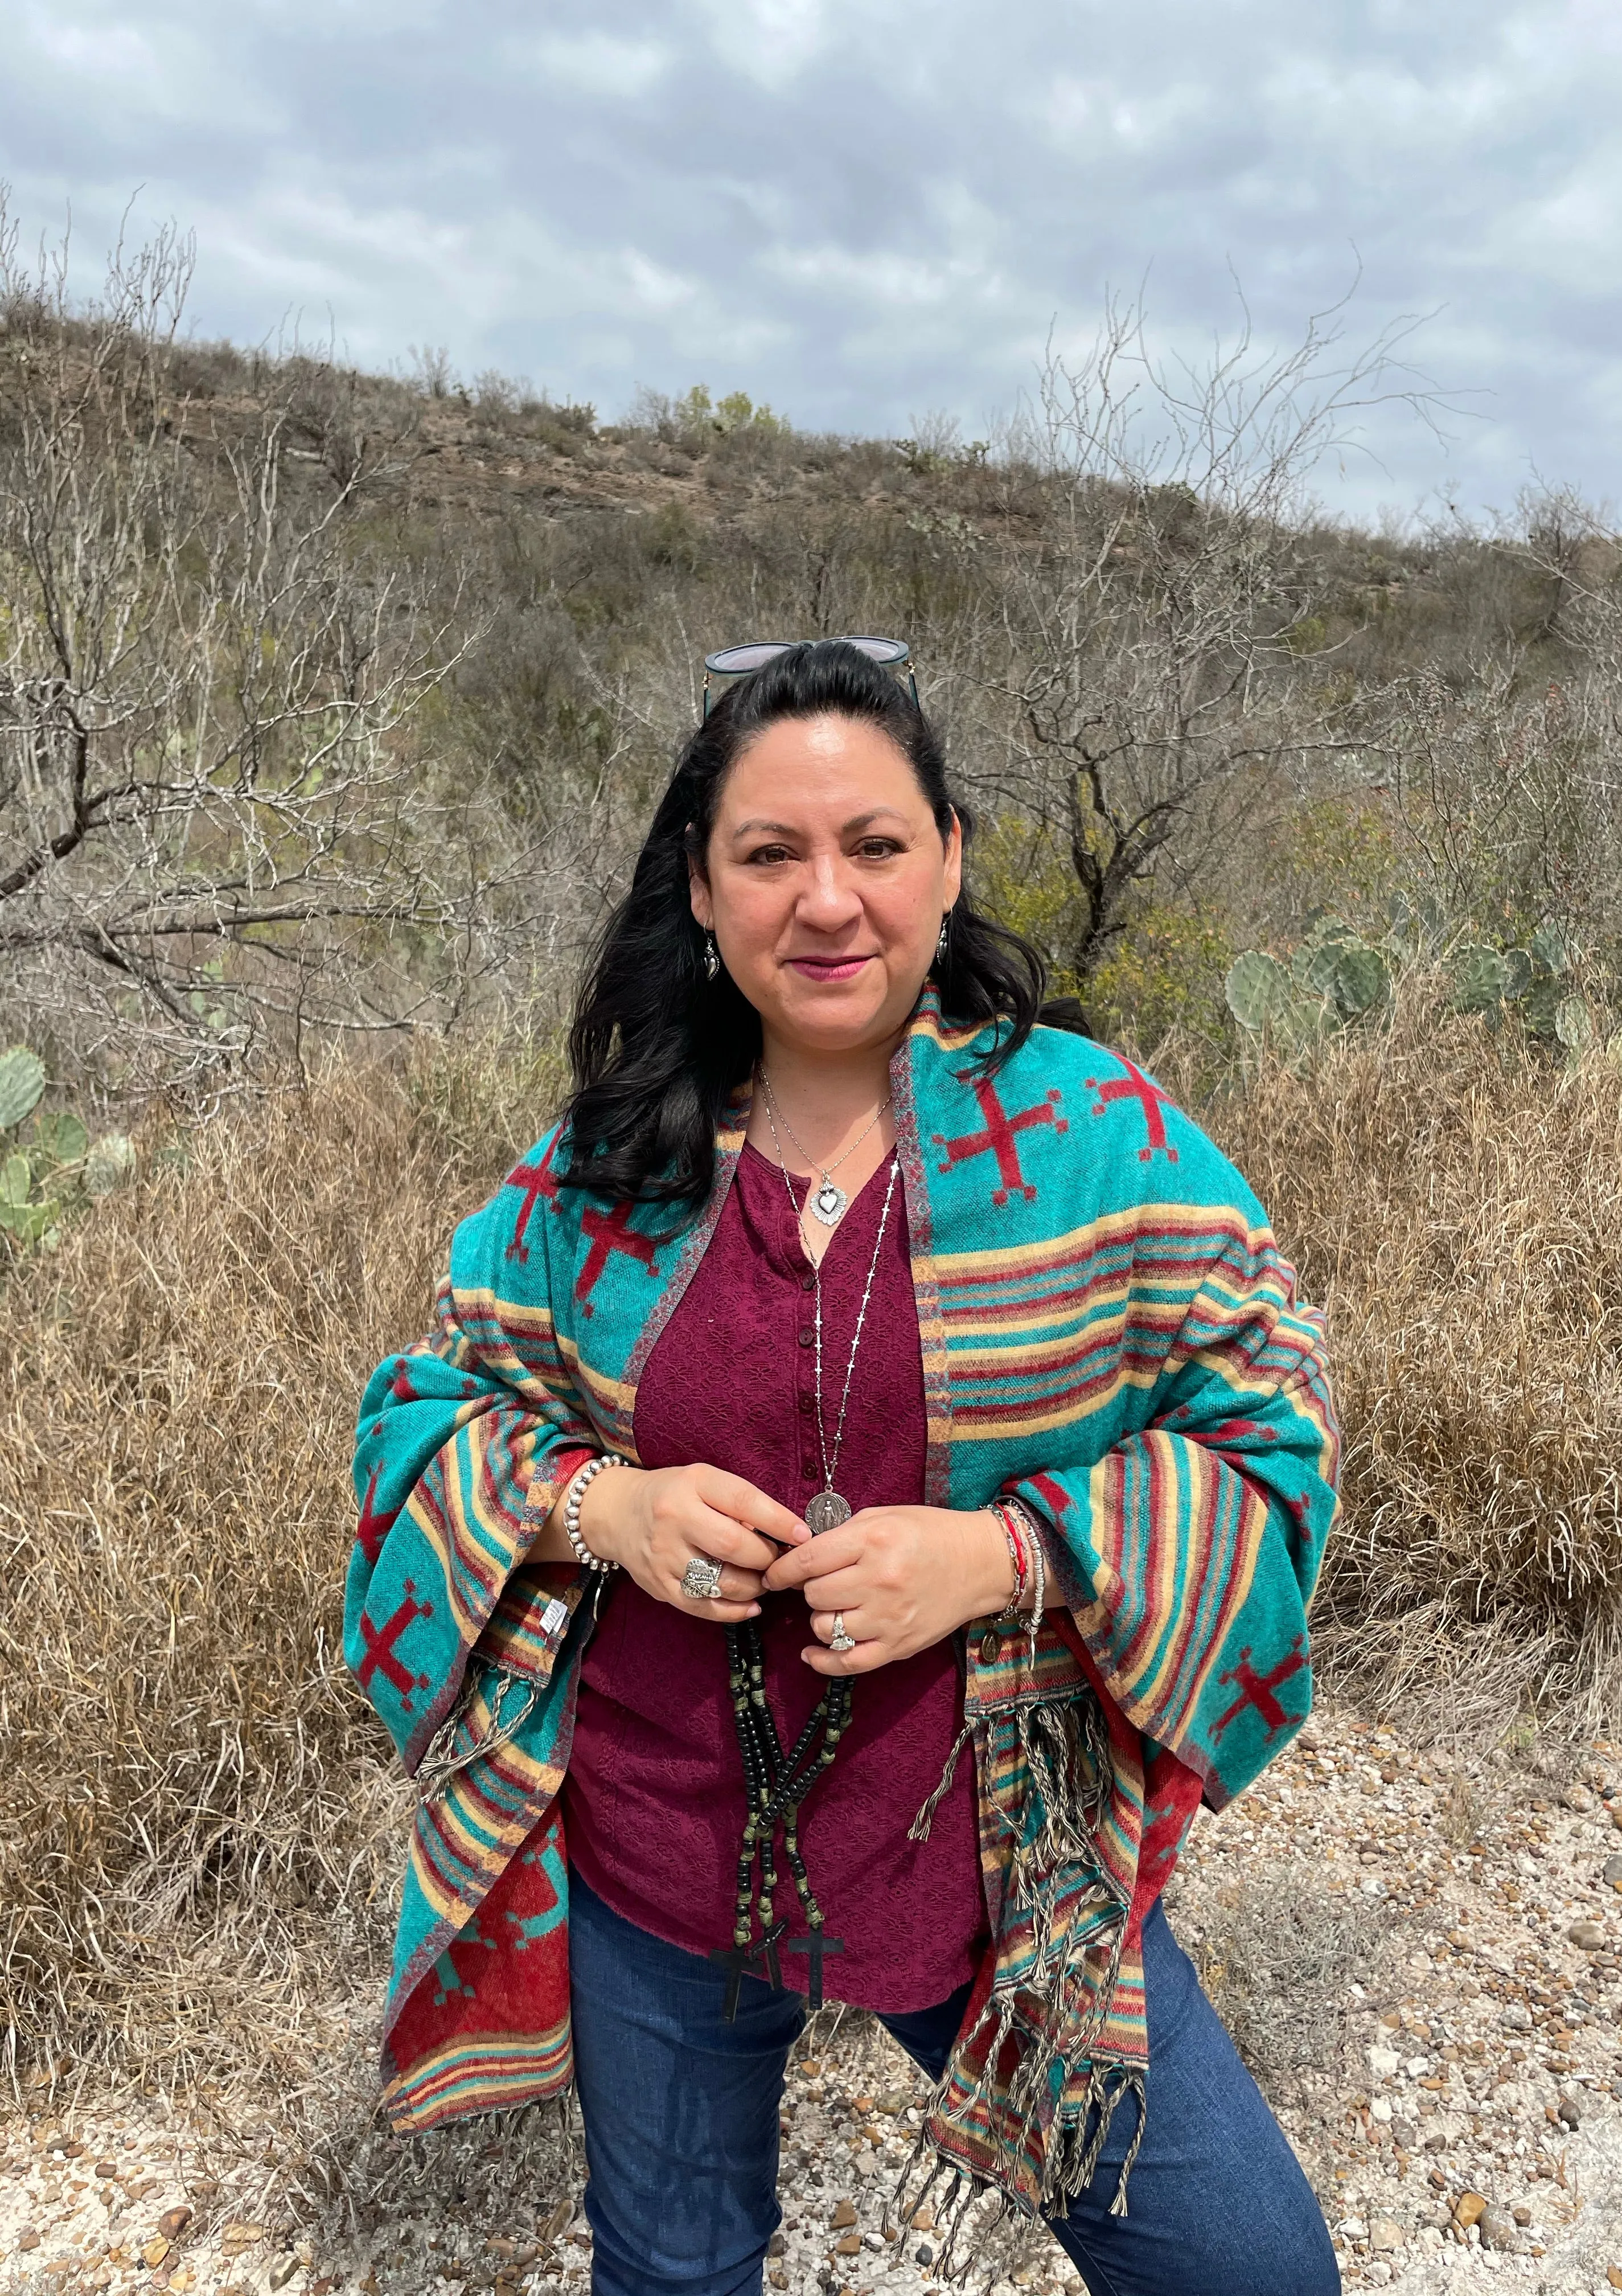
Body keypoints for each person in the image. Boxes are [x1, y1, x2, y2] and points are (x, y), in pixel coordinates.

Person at [347, 639, 1342, 2296]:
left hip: (994, 1871)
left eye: (875, 846)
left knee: (1245, 2267)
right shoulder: (606, 1171)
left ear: (949, 858)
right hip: (658, 1857)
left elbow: (1271, 1427)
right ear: (703, 885)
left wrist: (1005, 1557)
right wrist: (615, 1510)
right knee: (674, 2272)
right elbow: (425, 1414)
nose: (828, 902)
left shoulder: (1091, 1134)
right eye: (771, 854)